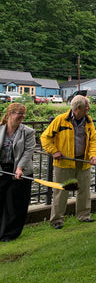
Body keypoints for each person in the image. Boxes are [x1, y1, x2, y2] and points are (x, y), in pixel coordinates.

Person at [40, 95, 96, 229]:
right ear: (79, 108)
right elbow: (45, 137)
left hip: (83, 162)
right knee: (61, 191)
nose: (88, 109)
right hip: (64, 163)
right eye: (87, 107)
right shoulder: (60, 120)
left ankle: (84, 216)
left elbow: (94, 139)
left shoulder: (88, 121)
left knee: (84, 190)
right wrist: (53, 151)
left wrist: (93, 155)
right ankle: (57, 220)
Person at [0, 103, 35, 241]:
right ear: (9, 113)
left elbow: (28, 152)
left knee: (15, 205)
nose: (22, 116)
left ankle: (10, 234)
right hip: (2, 170)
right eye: (19, 113)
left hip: (21, 172)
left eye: (23, 113)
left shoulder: (28, 131)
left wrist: (19, 168)